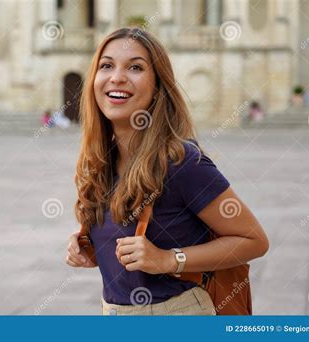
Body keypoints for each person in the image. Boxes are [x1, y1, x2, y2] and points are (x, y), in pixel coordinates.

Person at [66, 27, 269, 315]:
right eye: (107, 65)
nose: (117, 77)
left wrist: (168, 259)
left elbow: (254, 240)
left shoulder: (181, 161)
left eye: (135, 67)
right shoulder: (102, 160)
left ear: (158, 86)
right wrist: (88, 243)